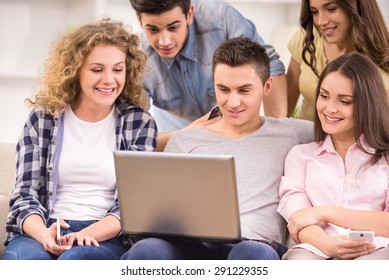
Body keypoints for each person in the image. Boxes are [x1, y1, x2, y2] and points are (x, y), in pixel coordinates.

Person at [121, 37, 313, 260]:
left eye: (244, 91)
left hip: (254, 244)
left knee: (250, 254)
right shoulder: (185, 141)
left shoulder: (295, 133)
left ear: (267, 86)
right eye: (224, 89)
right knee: (148, 250)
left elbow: (350, 133)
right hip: (188, 244)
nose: (232, 103)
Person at [1, 18, 157, 260]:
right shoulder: (43, 119)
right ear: (75, 71)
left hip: (106, 234)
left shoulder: (138, 122)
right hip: (44, 227)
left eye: (117, 69)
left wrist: (87, 232)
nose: (109, 80)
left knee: (75, 260)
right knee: (24, 262)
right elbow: (24, 195)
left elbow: (134, 205)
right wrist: (44, 235)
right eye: (97, 69)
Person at [129, 0, 288, 150]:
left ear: (189, 14)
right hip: (175, 131)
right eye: (153, 29)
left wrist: (273, 134)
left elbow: (269, 64)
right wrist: (186, 135)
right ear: (139, 20)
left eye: (173, 27)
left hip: (229, 127)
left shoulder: (220, 18)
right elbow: (135, 138)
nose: (165, 41)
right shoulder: (137, 58)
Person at [278, 52, 389, 260]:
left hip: (378, 250)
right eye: (324, 95)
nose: (329, 108)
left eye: (344, 101)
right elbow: (297, 218)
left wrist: (324, 212)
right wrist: (328, 246)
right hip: (316, 248)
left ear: (368, 104)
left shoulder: (386, 158)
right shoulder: (300, 156)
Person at [287, 0, 389, 121]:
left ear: (356, 6)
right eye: (314, 12)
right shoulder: (308, 38)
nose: (321, 21)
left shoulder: (383, 60)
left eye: (331, 9)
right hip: (304, 136)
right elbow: (284, 106)